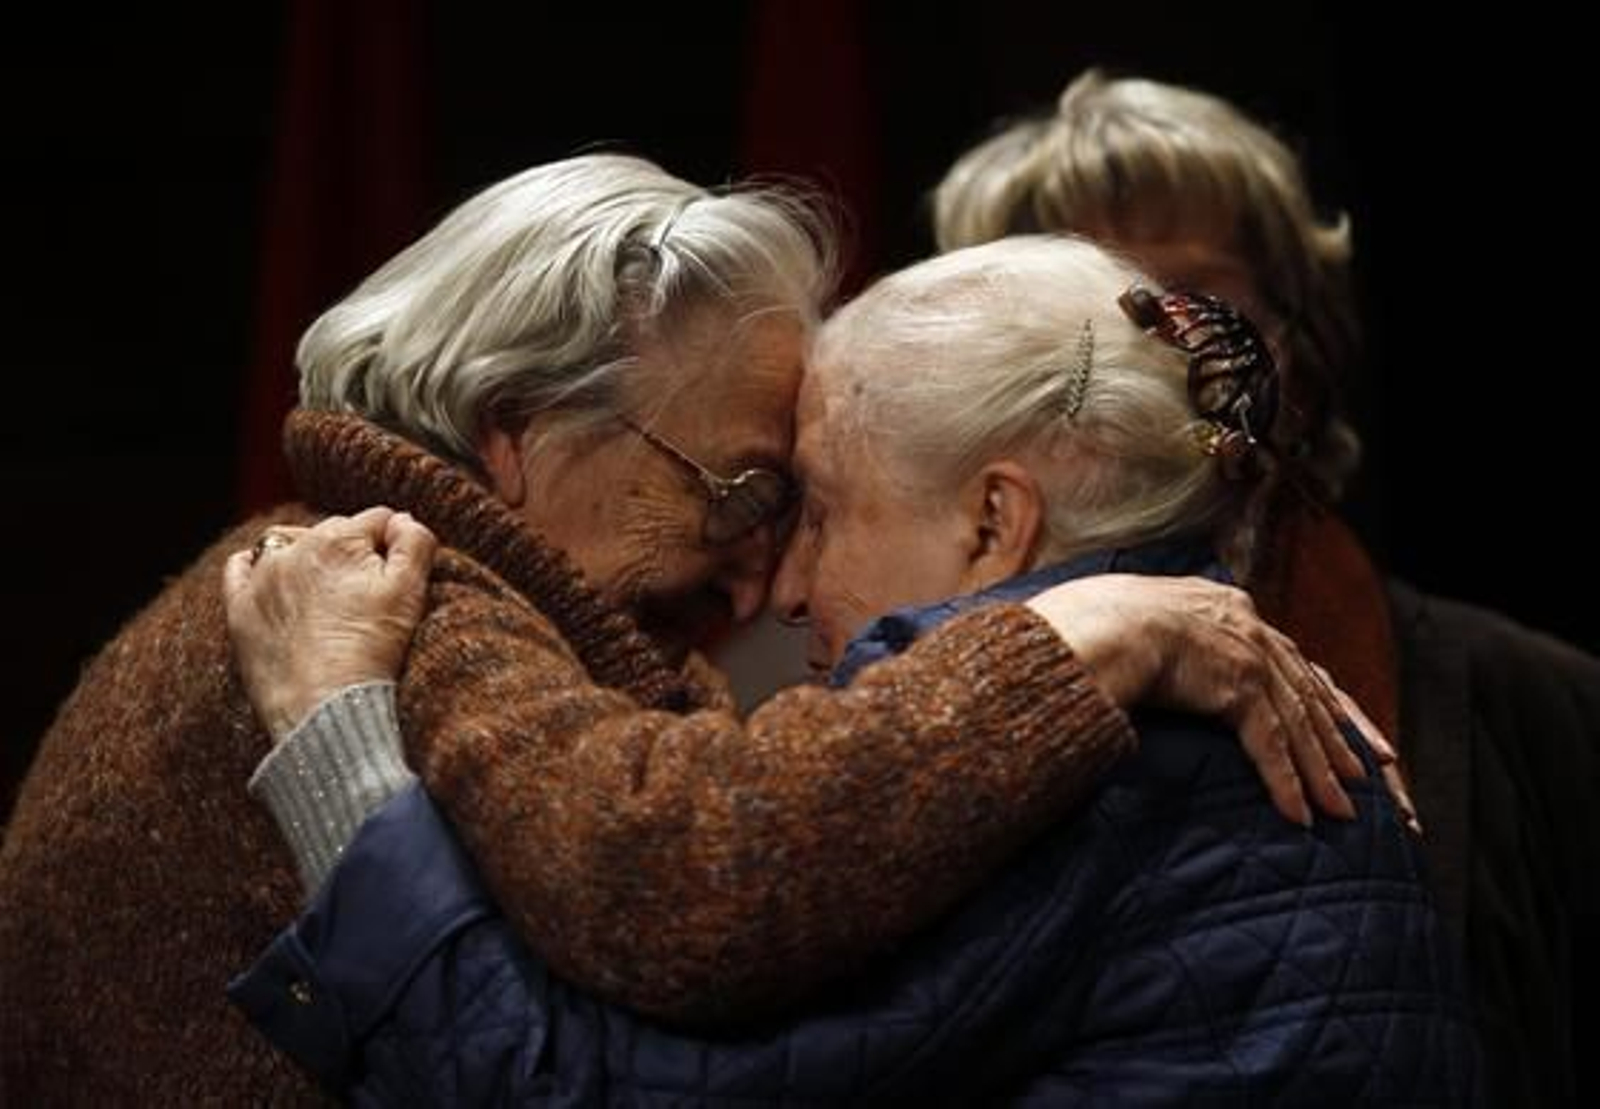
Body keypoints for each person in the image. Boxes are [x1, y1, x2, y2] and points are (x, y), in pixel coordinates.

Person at [0, 153, 1362, 1103]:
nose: (766, 571)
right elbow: (682, 880)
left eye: (805, 504)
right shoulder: (395, 590)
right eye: (746, 491)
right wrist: (1076, 642)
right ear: (517, 436)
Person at [933, 68, 1600, 1106]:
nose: (1148, 354)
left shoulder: (1542, 705)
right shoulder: (887, 701)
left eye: (1207, 299)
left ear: (1304, 342)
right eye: (1078, 318)